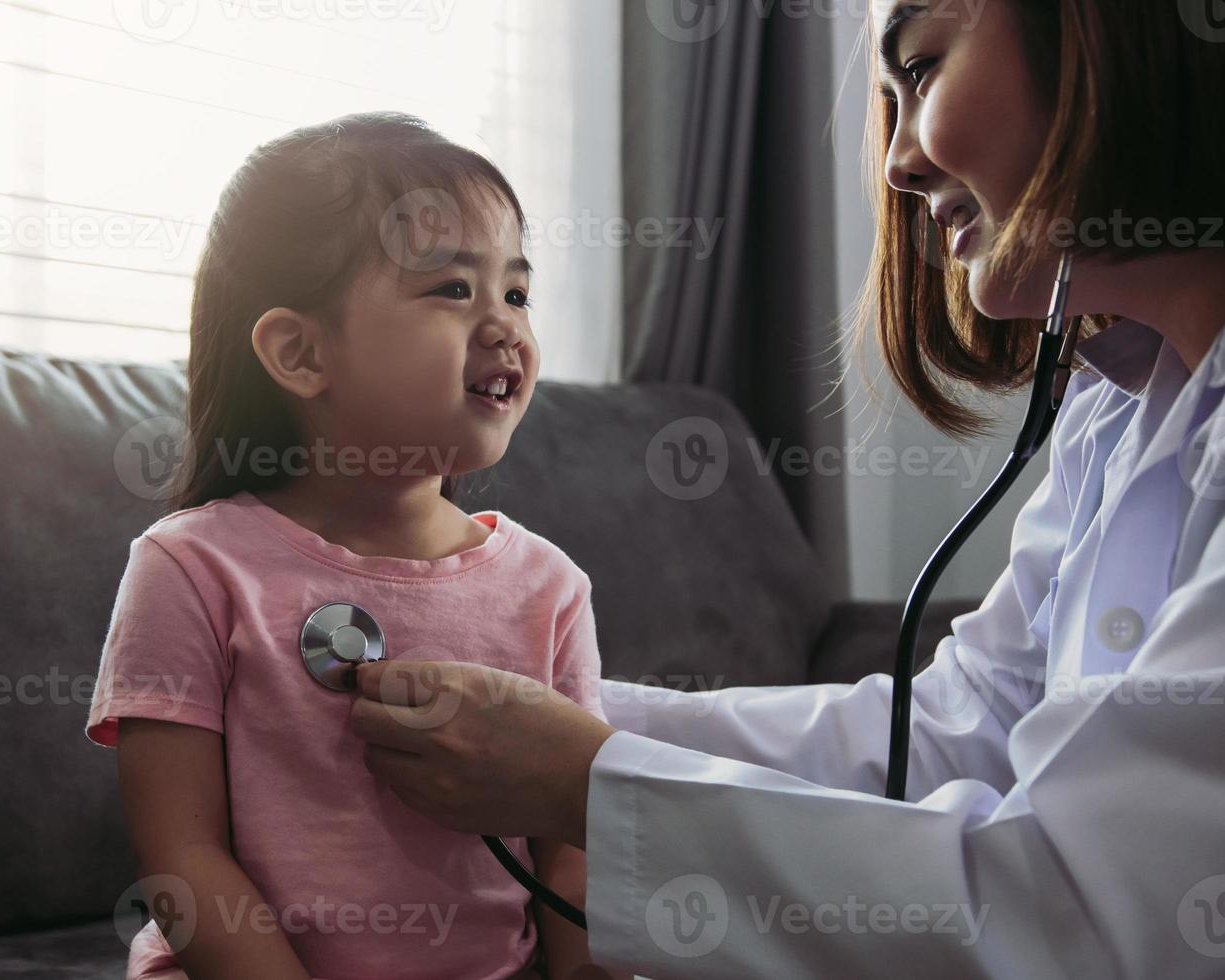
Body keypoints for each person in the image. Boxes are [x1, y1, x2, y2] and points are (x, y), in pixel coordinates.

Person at [350, 3, 1225, 976]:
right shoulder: (1120, 412)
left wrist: (582, 777)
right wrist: (563, 708)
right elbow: (955, 733)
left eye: (925, 68)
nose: (896, 164)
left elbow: (1081, 918)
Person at [86, 112, 631, 979]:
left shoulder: (550, 586)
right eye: (453, 290)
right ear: (301, 352)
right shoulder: (190, 568)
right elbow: (183, 861)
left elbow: (572, 844)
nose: (503, 328)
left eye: (516, 294)